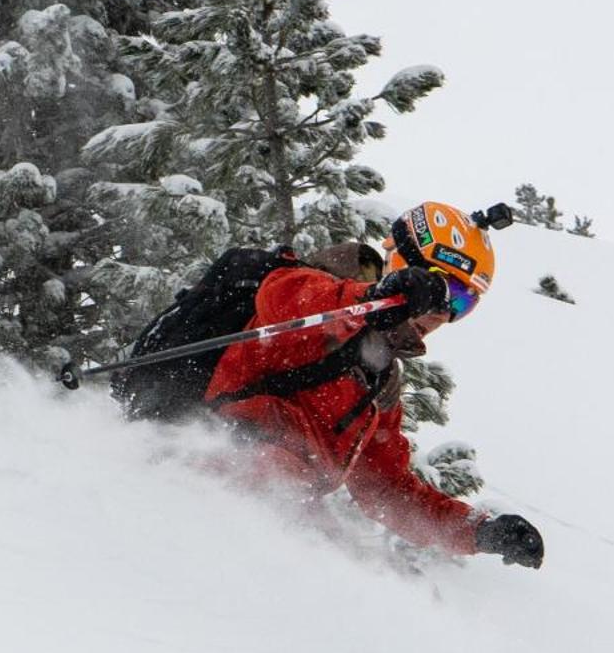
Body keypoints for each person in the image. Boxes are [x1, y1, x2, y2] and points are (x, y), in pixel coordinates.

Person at [201, 202, 546, 568]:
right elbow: (280, 300)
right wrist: (372, 299)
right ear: (405, 266)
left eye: (463, 303)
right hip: (220, 465)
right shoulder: (319, 295)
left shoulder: (380, 378)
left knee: (354, 566)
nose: (443, 313)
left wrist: (478, 532)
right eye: (440, 290)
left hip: (288, 505)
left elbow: (387, 489)